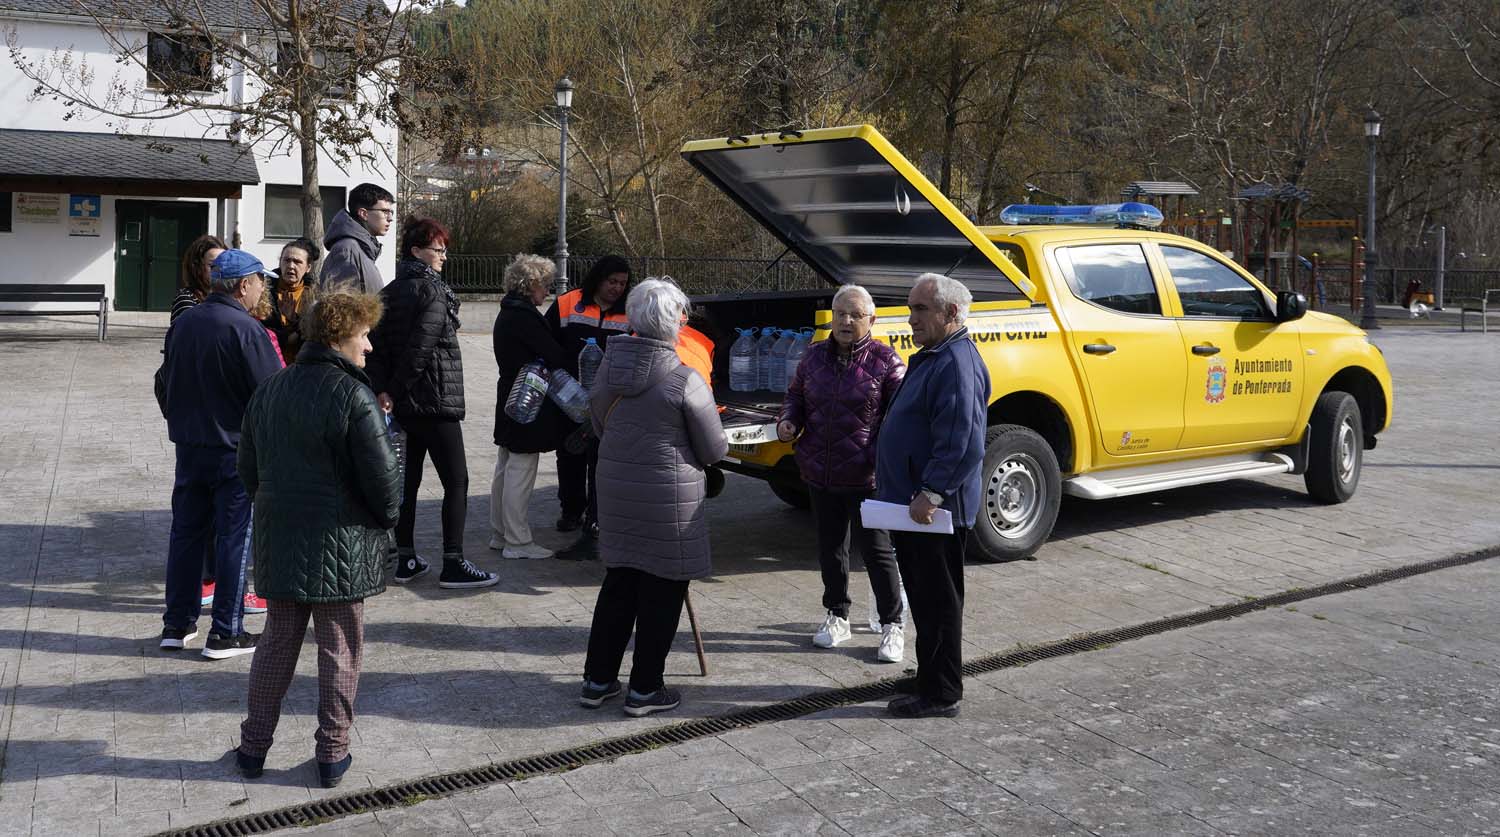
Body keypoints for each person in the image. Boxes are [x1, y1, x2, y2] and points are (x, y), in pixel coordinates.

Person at [235, 285, 401, 790]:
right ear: (341, 335)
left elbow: (249, 471)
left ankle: (252, 747)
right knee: (339, 649)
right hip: (342, 546)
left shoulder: (271, 388)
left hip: (283, 542)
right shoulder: (354, 395)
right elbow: (385, 485)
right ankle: (332, 754)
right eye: (364, 334)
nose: (369, 346)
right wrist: (384, 520)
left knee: (276, 645)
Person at [579, 278, 728, 717]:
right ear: (677, 321)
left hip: (617, 489)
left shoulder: (607, 367)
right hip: (669, 499)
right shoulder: (686, 378)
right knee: (664, 587)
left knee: (620, 580)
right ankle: (645, 688)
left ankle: (597, 680)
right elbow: (714, 450)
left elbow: (600, 422)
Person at [874, 273, 989, 719]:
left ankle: (941, 693)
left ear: (951, 313)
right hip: (917, 509)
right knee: (923, 597)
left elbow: (963, 441)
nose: (911, 318)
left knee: (937, 601)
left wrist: (933, 492)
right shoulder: (937, 355)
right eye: (911, 308)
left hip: (933, 512)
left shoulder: (956, 362)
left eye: (921, 309)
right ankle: (931, 674)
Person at [159, 250, 283, 659]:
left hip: (190, 447)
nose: (263, 288)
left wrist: (180, 423)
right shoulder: (247, 330)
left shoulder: (184, 323)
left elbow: (163, 383)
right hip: (233, 450)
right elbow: (272, 395)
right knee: (233, 537)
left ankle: (177, 624)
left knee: (187, 533)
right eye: (260, 281)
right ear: (244, 284)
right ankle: (226, 631)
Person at [778, 284, 907, 662]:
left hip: (867, 477)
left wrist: (886, 460)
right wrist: (788, 421)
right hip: (821, 470)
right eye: (840, 314)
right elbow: (796, 396)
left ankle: (892, 624)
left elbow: (901, 417)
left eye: (854, 315)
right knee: (830, 549)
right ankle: (837, 615)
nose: (846, 321)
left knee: (877, 552)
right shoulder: (814, 356)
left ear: (872, 319)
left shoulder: (886, 362)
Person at [366, 218, 496, 588]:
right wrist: (396, 388)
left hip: (404, 404)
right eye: (437, 249)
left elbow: (375, 348)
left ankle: (405, 558)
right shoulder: (433, 291)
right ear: (416, 251)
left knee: (409, 482)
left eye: (443, 248)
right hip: (434, 401)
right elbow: (421, 348)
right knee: (457, 480)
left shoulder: (388, 292)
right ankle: (453, 562)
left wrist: (385, 390)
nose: (443, 255)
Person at [545, 256, 632, 541]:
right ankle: (571, 511)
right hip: (568, 399)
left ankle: (597, 515)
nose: (617, 288)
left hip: (608, 402)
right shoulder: (569, 302)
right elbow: (547, 342)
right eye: (612, 281)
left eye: (623, 283)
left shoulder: (629, 312)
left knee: (601, 460)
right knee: (570, 455)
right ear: (598, 279)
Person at [490, 254, 568, 560]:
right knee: (521, 469)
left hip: (509, 393)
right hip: (526, 398)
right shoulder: (524, 316)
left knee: (506, 465)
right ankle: (518, 541)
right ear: (532, 284)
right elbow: (554, 355)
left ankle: (500, 533)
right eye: (545, 284)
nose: (547, 291)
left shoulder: (508, 311)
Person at [322, 183, 394, 294]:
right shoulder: (347, 250)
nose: (390, 218)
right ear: (363, 214)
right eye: (385, 212)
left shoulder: (362, 250)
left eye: (391, 212)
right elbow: (341, 306)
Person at [261, 237, 319, 362]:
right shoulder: (263, 291)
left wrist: (294, 321)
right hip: (270, 362)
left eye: (297, 262)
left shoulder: (316, 296)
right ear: (280, 263)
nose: (291, 266)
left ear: (308, 268)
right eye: (286, 260)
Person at [172, 234, 226, 323]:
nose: (220, 270)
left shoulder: (228, 296)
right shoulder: (187, 298)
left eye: (224, 264)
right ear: (197, 266)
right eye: (212, 265)